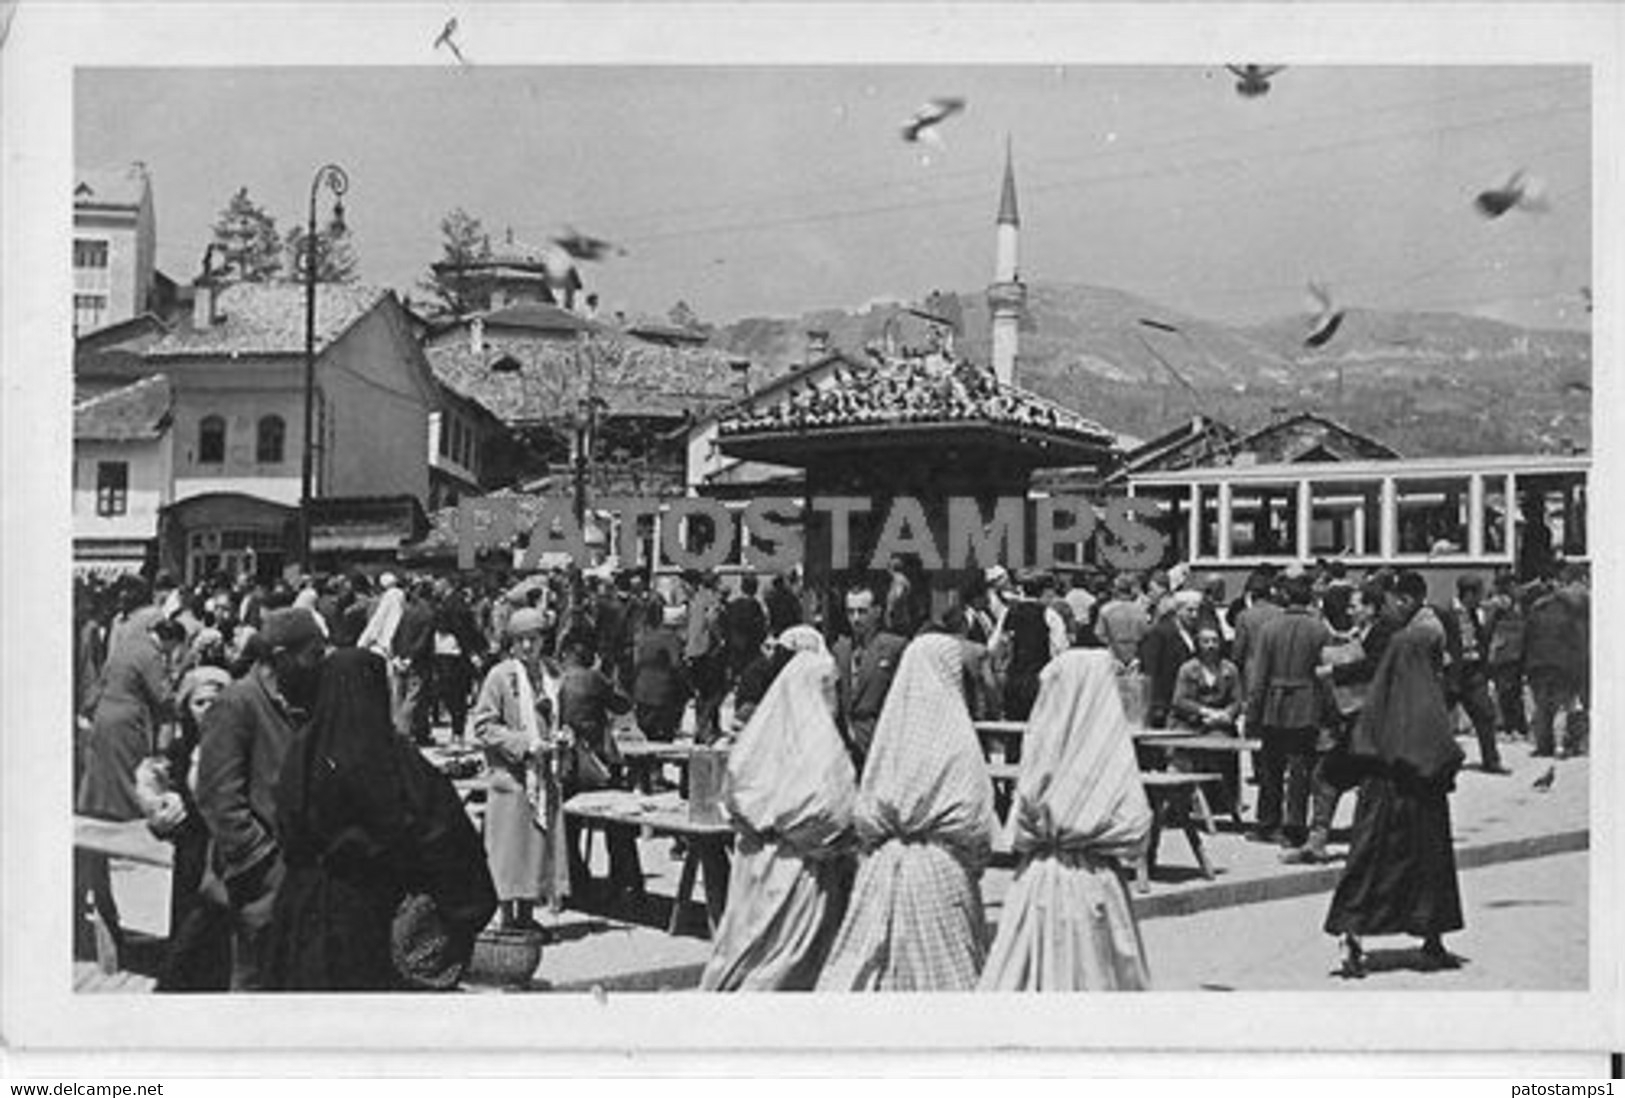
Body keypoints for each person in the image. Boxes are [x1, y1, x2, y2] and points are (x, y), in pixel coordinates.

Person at [266, 648, 496, 990]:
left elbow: (287, 828)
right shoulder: (400, 762)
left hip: (305, 917)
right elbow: (447, 840)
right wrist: (461, 910)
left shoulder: (303, 753)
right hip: (380, 921)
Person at [816, 634, 998, 992]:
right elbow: (975, 821)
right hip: (941, 874)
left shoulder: (890, 737)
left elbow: (866, 813)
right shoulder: (955, 739)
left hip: (883, 872)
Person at [979, 650, 1153, 991]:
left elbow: (1019, 825)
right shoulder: (1109, 750)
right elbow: (1136, 826)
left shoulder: (1044, 747)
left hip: (1037, 881)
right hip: (1096, 883)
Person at [1324, 570, 1466, 979]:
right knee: (1431, 863)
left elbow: (1369, 733)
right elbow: (1438, 743)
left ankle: (1352, 934)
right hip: (1421, 788)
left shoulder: (1392, 676)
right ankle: (1432, 938)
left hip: (1383, 784)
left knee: (1369, 862)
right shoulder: (1423, 677)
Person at [700, 644, 858, 990]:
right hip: (798, 873)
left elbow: (736, 794)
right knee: (783, 965)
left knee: (747, 948)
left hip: (754, 866)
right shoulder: (821, 748)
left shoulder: (762, 738)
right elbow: (831, 811)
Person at [195, 607, 328, 990]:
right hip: (259, 882)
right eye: (313, 655)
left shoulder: (301, 699)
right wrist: (263, 863)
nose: (319, 665)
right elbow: (219, 798)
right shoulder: (238, 703)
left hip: (298, 877)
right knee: (254, 983)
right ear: (283, 656)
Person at [470, 607, 570, 926]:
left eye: (534, 639)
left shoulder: (553, 675)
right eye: (521, 640)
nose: (528, 647)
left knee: (536, 850)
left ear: (544, 640)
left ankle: (527, 914)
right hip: (511, 777)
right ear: (511, 643)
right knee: (508, 851)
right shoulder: (500, 676)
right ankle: (508, 917)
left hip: (544, 777)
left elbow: (560, 717)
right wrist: (524, 743)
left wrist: (564, 735)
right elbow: (484, 725)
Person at [1285, 581, 1393, 865]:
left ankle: (1338, 842)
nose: (1350, 609)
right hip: (1355, 720)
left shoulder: (1384, 634)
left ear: (1370, 609)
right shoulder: (1362, 633)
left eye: (1355, 605)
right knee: (1331, 776)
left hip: (1373, 723)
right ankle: (1320, 841)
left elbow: (1373, 667)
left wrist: (1334, 670)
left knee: (1340, 777)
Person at [145, 665, 234, 992]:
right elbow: (155, 790)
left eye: (216, 701)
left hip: (222, 859)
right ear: (186, 707)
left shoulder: (237, 746)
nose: (208, 709)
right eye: (200, 703)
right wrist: (161, 809)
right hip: (190, 856)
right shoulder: (181, 750)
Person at [1245, 572, 1331, 848]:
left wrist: (1253, 713)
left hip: (1274, 702)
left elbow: (1259, 677)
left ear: (1284, 597)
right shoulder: (1319, 629)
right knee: (1300, 768)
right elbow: (1325, 674)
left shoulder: (1269, 629)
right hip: (1307, 702)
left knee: (1270, 766)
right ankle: (1294, 826)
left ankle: (1267, 823)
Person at [554, 628, 640, 901]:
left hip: (565, 763)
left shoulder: (554, 680)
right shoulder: (593, 678)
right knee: (618, 824)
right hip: (595, 763)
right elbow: (623, 705)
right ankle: (627, 881)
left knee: (568, 828)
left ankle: (575, 879)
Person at [830, 587, 907, 773]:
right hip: (845, 745)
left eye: (862, 612)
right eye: (850, 612)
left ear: (877, 612)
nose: (855, 619)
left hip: (881, 742)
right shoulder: (841, 649)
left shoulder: (894, 647)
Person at [1444, 575, 1507, 774]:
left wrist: (1494, 617)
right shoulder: (1447, 613)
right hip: (1452, 674)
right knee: (1438, 717)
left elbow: (1481, 641)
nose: (1481, 599)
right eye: (1478, 594)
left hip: (1473, 672)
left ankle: (1491, 760)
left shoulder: (1473, 613)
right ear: (1468, 594)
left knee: (1485, 715)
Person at [432, 577, 487, 744]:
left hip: (454, 656)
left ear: (445, 586)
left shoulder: (454, 604)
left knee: (455, 694)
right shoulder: (455, 603)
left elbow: (463, 630)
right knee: (456, 694)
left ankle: (458, 733)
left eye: (437, 586)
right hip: (452, 654)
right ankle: (457, 732)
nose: (434, 589)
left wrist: (471, 652)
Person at [1138, 589, 1202, 729]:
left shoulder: (1194, 633)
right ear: (1178, 610)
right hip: (1164, 701)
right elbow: (1150, 670)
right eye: (1189, 610)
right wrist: (1155, 704)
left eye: (1197, 611)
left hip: (1186, 701)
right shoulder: (1159, 633)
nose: (1194, 615)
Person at [632, 603, 691, 743]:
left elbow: (636, 662)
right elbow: (677, 665)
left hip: (641, 693)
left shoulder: (646, 637)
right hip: (663, 696)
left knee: (649, 736)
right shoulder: (672, 639)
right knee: (664, 737)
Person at [391, 579, 439, 745]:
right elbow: (424, 640)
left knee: (403, 697)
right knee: (414, 698)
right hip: (418, 661)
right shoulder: (428, 613)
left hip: (402, 658)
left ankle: (421, 733)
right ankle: (401, 734)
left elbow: (396, 634)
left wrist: (397, 655)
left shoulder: (407, 610)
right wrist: (411, 658)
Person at [1094, 573, 1149, 669]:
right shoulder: (1141, 611)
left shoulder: (1106, 609)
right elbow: (1145, 633)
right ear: (1130, 591)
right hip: (1135, 654)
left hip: (1114, 654)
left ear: (1115, 590)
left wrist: (1112, 642)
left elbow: (1099, 634)